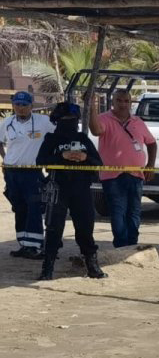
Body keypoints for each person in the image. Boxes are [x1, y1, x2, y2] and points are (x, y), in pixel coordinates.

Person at [34, 102, 106, 281]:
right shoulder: (51, 139)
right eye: (65, 119)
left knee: (85, 229)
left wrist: (85, 157)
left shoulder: (83, 139)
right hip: (58, 189)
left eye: (73, 119)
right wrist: (61, 156)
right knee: (54, 229)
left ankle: (92, 265)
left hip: (81, 190)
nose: (69, 122)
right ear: (57, 120)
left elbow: (99, 163)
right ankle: (47, 267)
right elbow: (40, 161)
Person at [89, 89, 157, 248]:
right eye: (119, 100)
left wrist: (151, 166)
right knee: (118, 212)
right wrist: (91, 107)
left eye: (126, 101)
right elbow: (95, 130)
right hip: (112, 176)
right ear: (113, 102)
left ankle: (132, 244)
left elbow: (152, 143)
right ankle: (121, 245)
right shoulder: (104, 119)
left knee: (134, 212)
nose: (123, 104)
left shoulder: (138, 121)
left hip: (136, 174)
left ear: (131, 103)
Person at [2, 91, 53, 258]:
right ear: (13, 105)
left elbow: (59, 135)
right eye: (17, 104)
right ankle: (24, 244)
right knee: (19, 208)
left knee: (34, 208)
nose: (20, 108)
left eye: (24, 105)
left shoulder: (43, 121)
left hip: (32, 172)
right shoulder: (6, 122)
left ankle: (35, 246)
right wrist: (5, 159)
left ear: (31, 106)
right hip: (11, 172)